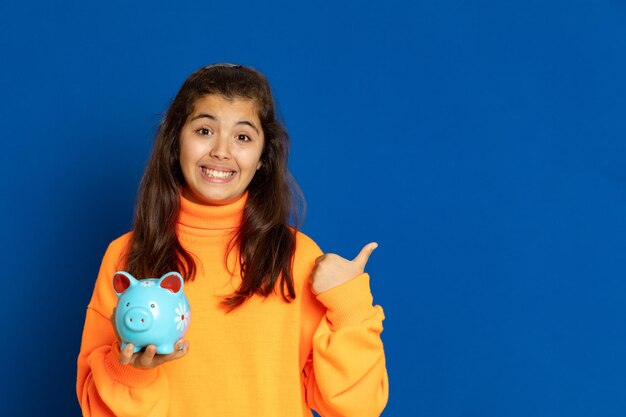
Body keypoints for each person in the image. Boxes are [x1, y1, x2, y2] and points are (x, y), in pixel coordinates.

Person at [76, 63, 388, 417]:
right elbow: (96, 409)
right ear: (176, 141)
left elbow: (356, 408)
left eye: (242, 137)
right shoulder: (127, 256)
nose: (221, 151)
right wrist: (132, 370)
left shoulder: (297, 257)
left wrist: (350, 308)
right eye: (205, 130)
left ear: (262, 159)